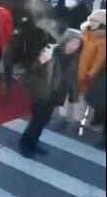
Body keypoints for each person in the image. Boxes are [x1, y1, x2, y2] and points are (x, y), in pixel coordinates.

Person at [19, 30, 82, 158]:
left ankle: (34, 142)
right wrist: (41, 60)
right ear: (66, 40)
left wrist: (73, 96)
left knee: (44, 120)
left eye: (78, 44)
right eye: (73, 42)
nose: (75, 46)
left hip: (55, 94)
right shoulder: (50, 50)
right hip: (41, 92)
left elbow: (72, 77)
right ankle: (25, 144)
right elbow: (32, 69)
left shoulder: (74, 56)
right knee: (37, 120)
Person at [75, 10, 106, 124]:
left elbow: (101, 59)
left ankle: (87, 120)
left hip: (91, 74)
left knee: (89, 97)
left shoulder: (103, 39)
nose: (92, 22)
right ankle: (74, 117)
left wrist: (91, 74)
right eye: (91, 19)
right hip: (78, 68)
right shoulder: (84, 32)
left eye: (95, 21)